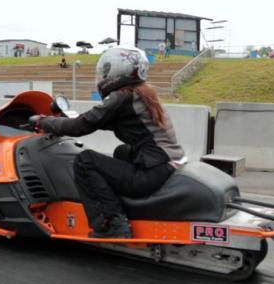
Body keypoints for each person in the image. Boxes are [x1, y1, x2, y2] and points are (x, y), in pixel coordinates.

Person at [29, 46, 186, 238]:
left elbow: (82, 126)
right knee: (122, 151)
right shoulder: (143, 92)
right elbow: (109, 122)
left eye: (106, 70)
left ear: (118, 70)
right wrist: (68, 120)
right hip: (168, 163)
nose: (103, 75)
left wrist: (43, 121)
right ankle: (122, 208)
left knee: (85, 161)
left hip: (152, 172)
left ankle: (113, 222)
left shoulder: (121, 96)